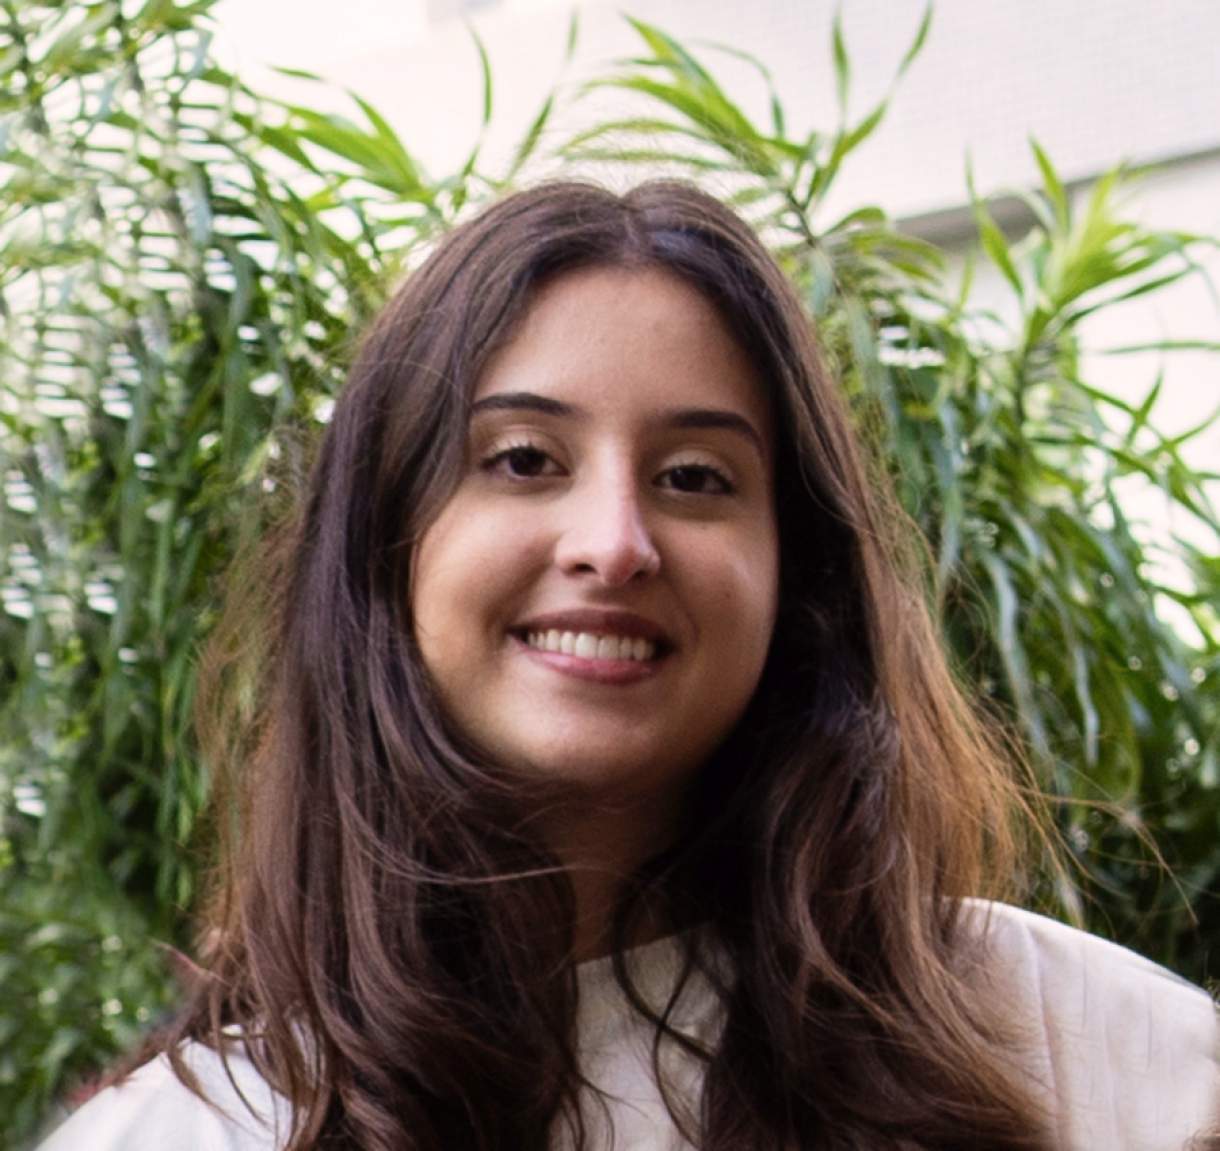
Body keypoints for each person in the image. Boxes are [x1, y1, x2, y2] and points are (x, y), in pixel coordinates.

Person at [37, 181, 1217, 1151]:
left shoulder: (1077, 1049)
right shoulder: (189, 1131)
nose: (612, 542)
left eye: (695, 476)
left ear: (795, 575)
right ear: (384, 546)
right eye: (522, 458)